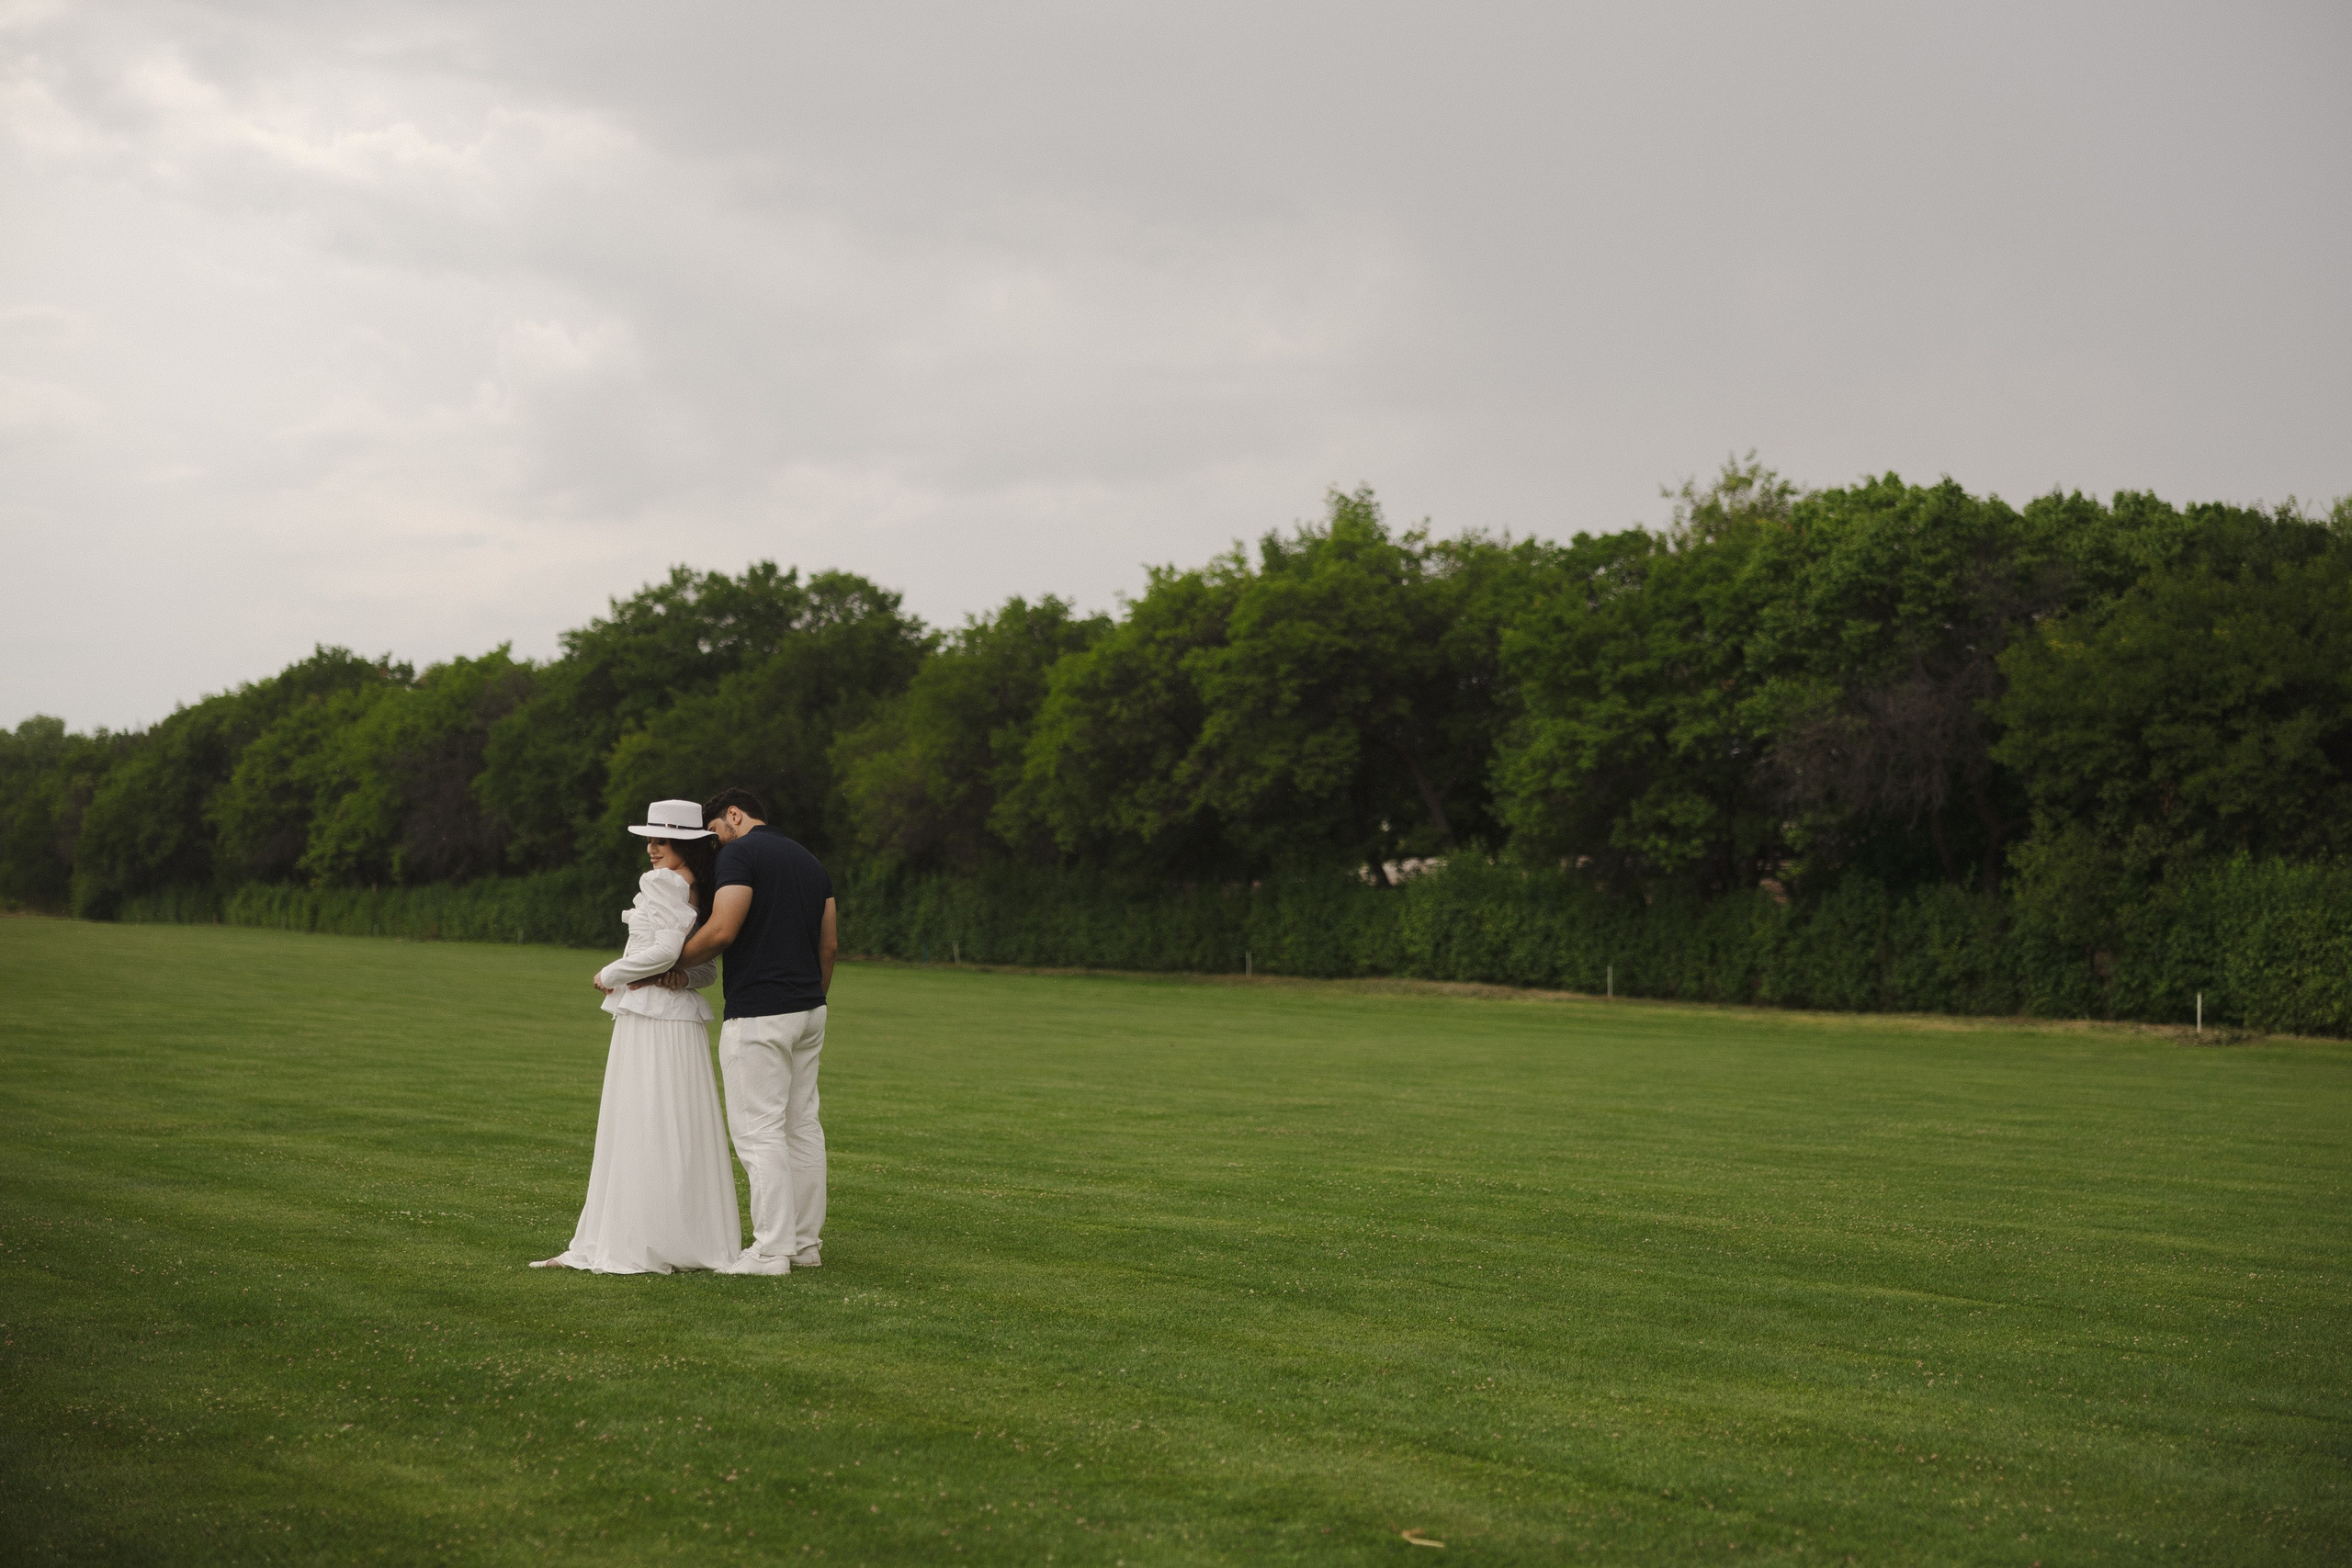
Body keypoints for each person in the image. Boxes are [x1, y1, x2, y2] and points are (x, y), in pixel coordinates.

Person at [531, 799, 741, 1274]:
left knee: (645, 1116)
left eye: (661, 840)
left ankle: (644, 1237)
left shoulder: (665, 884)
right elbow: (701, 967)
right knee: (671, 1120)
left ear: (685, 844)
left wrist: (612, 972)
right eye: (649, 840)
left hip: (654, 1018)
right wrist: (680, 978)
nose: (651, 849)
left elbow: (669, 951)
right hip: (672, 1016)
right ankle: (676, 1233)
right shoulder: (695, 890)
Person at [675, 785, 837, 1276]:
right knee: (801, 1126)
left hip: (760, 1012)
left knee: (758, 1132)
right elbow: (828, 946)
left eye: (714, 834)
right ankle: (805, 1245)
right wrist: (811, 996)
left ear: (734, 814)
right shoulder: (810, 861)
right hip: (809, 1008)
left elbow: (723, 931)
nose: (715, 845)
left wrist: (667, 961)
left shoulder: (741, 853)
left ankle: (770, 1252)